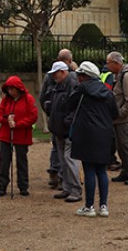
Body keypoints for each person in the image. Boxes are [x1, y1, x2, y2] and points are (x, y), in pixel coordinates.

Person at [67, 61, 119, 217]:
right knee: (101, 171)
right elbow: (115, 113)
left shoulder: (81, 90)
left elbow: (70, 104)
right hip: (104, 133)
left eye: (80, 75)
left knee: (89, 169)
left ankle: (89, 206)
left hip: (86, 133)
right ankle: (103, 206)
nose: (78, 78)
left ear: (85, 76)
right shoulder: (108, 92)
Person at [39, 48, 77, 189]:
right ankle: (63, 179)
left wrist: (52, 112)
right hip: (60, 120)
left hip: (63, 121)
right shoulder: (64, 77)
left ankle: (64, 180)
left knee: (63, 152)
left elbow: (43, 97)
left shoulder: (69, 79)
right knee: (61, 151)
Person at [0, 75, 38, 196]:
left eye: (12, 89)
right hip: (6, 135)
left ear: (18, 88)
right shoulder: (5, 100)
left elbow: (33, 116)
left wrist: (18, 124)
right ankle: (2, 185)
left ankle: (23, 186)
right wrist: (6, 119)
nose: (10, 92)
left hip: (21, 135)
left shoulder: (28, 99)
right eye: (8, 89)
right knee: (4, 161)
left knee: (21, 161)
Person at [47, 61, 82, 202]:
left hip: (68, 130)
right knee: (63, 161)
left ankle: (75, 190)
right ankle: (67, 188)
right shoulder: (59, 85)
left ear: (63, 71)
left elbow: (76, 107)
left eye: (56, 73)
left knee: (70, 160)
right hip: (59, 130)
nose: (53, 76)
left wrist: (68, 121)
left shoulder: (72, 84)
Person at [106, 51, 128, 185]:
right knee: (121, 147)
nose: (107, 65)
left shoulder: (126, 76)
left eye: (108, 62)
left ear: (116, 63)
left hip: (125, 119)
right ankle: (126, 171)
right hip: (119, 118)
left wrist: (120, 113)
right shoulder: (118, 75)